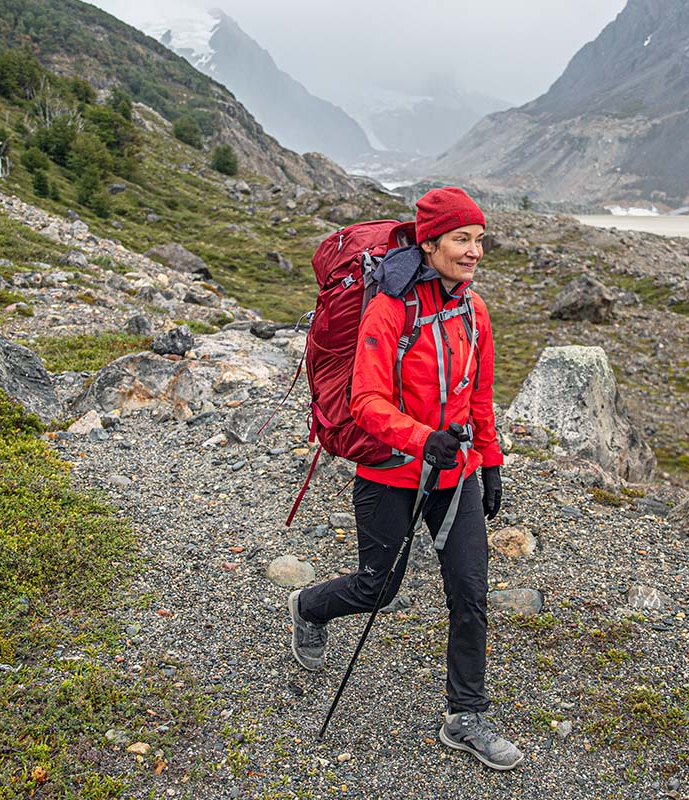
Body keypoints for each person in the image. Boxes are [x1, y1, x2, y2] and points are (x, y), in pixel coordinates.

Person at [288, 186, 521, 771]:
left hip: (457, 476)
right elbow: (365, 401)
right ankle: (309, 607)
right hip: (389, 473)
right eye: (461, 240)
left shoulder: (474, 310)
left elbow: (481, 396)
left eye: (479, 241)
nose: (473, 253)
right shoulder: (391, 309)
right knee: (378, 589)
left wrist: (489, 465)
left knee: (469, 595)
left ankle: (466, 715)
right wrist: (423, 439)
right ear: (431, 242)